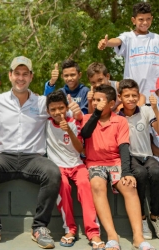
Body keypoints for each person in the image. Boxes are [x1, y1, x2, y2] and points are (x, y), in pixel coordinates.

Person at [0, 56, 61, 249]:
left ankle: (39, 227)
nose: (20, 78)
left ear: (31, 77)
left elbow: (66, 114)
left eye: (25, 74)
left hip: (33, 158)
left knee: (53, 173)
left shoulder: (42, 102)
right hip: (4, 157)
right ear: (10, 75)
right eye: (17, 74)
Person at [81, 84, 155, 250]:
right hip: (95, 163)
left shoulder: (120, 120)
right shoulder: (88, 118)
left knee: (130, 186)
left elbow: (123, 147)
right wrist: (96, 113)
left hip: (115, 162)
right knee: (98, 185)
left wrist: (127, 172)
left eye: (101, 100)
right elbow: (85, 133)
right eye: (94, 100)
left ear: (112, 103)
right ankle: (112, 236)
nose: (96, 103)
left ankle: (138, 237)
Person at [45, 90, 103, 249]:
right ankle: (69, 229)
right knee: (62, 186)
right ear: (48, 111)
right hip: (58, 166)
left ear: (66, 107)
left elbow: (80, 149)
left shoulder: (75, 122)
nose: (58, 112)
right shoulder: (46, 122)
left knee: (85, 186)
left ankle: (93, 232)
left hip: (77, 165)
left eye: (61, 108)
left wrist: (69, 131)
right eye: (53, 109)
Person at [117, 79, 159, 240]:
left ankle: (155, 215)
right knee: (140, 175)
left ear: (139, 95)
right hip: (131, 157)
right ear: (120, 97)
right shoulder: (118, 118)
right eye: (126, 95)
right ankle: (141, 218)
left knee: (156, 171)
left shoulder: (146, 111)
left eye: (134, 95)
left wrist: (155, 109)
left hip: (147, 155)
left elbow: (158, 129)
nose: (131, 99)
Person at [98, 2, 159, 101]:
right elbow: (117, 41)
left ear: (151, 18)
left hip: (155, 97)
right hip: (133, 96)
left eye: (148, 19)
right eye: (141, 19)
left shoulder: (156, 39)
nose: (145, 22)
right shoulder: (128, 37)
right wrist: (107, 43)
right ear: (133, 20)